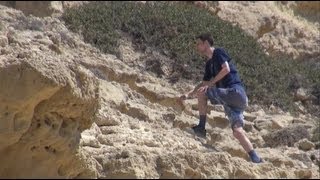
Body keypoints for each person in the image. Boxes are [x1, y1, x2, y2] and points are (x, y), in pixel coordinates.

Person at [179, 33, 262, 163]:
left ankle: (201, 128)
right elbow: (203, 84)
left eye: (199, 43)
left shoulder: (218, 52)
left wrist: (211, 84)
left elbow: (226, 69)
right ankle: (256, 158)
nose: (197, 46)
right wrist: (189, 94)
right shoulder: (208, 65)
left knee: (203, 93)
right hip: (232, 102)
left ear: (206, 43)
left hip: (235, 92)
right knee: (237, 131)